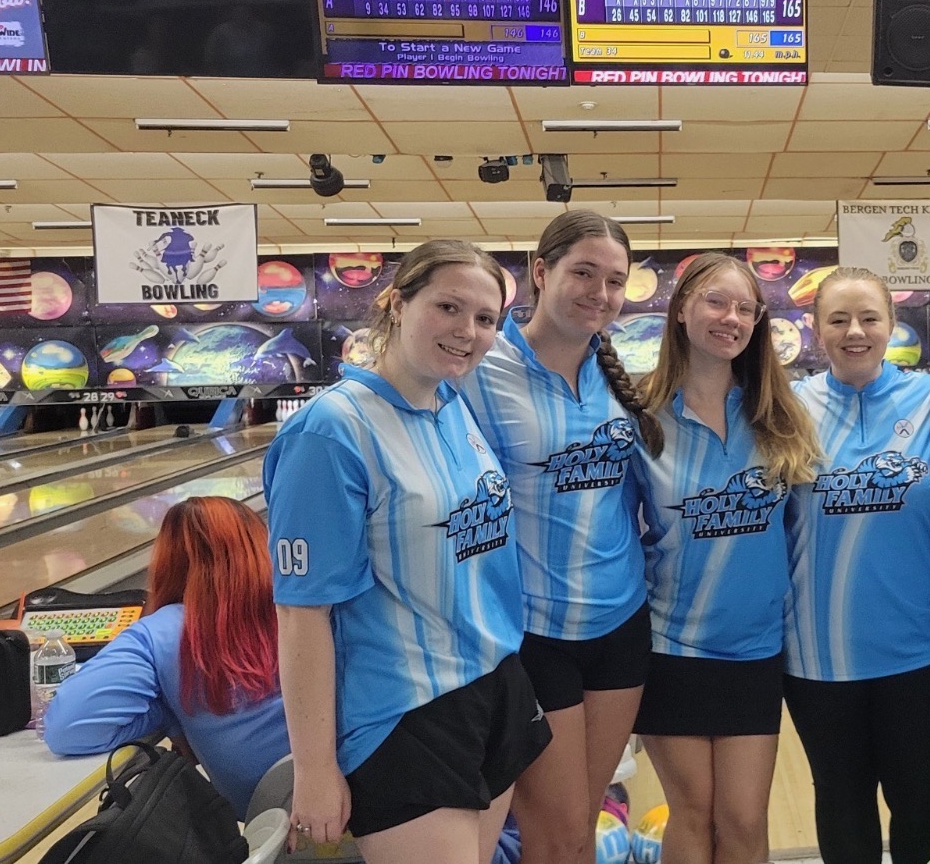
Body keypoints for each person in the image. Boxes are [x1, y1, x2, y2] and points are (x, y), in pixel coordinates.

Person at [265, 239, 550, 864]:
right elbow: (301, 612)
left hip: (493, 685)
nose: (467, 331)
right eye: (448, 307)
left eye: (484, 319)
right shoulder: (330, 432)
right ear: (396, 302)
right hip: (403, 715)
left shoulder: (453, 404)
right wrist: (315, 768)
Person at [461, 212, 658, 864]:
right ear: (541, 272)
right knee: (559, 834)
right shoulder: (481, 372)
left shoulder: (620, 376)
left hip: (622, 627)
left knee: (584, 822)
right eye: (583, 273)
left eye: (614, 280)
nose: (600, 293)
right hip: (535, 636)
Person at [633, 252, 821, 864]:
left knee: (743, 820)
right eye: (716, 301)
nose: (730, 317)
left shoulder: (778, 415)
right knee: (693, 813)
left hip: (755, 649)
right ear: (681, 307)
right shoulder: (639, 417)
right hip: (670, 648)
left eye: (745, 307)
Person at [784, 268, 930, 864]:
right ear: (815, 329)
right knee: (841, 799)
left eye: (869, 318)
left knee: (923, 800)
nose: (855, 332)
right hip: (817, 654)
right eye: (838, 319)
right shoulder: (788, 408)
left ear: (890, 325)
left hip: (919, 651)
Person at [43, 495, 287, 816]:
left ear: (168, 562)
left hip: (267, 825)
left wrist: (168, 711)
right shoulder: (306, 609)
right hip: (360, 811)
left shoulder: (162, 632)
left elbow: (67, 730)